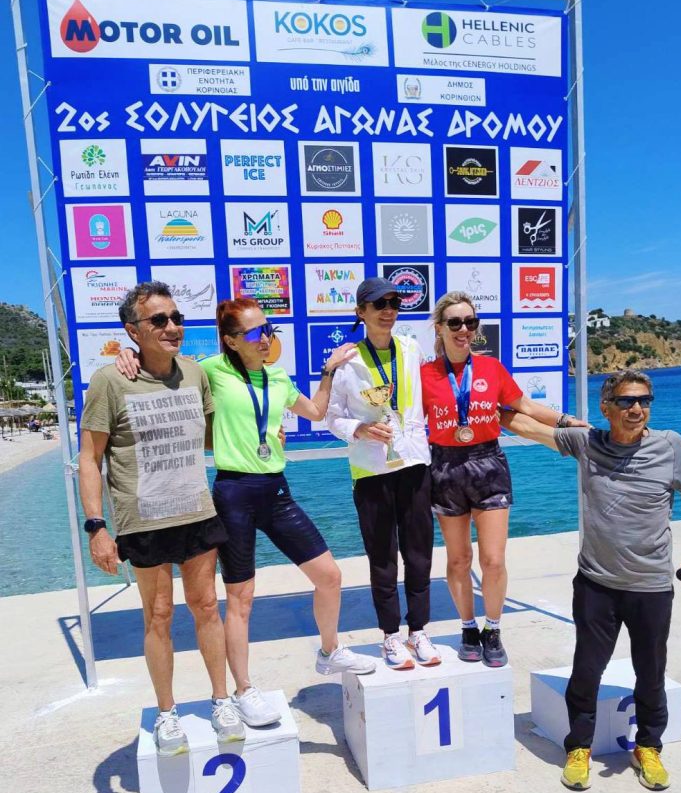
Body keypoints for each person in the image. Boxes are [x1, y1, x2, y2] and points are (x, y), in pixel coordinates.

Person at [117, 297, 375, 729]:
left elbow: (315, 411)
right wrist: (128, 352)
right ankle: (242, 690)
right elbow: (162, 361)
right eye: (255, 333)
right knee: (240, 598)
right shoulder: (210, 371)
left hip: (276, 490)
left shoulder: (278, 376)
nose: (266, 338)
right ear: (232, 340)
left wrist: (328, 371)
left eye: (269, 329)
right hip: (233, 492)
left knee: (329, 575)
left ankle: (330, 651)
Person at [504, 368, 681, 791]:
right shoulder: (588, 443)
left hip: (651, 586)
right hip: (596, 584)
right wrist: (477, 396)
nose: (637, 409)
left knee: (651, 672)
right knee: (587, 670)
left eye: (644, 401)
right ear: (606, 407)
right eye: (626, 401)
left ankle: (648, 746)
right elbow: (520, 423)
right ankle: (579, 747)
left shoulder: (670, 445)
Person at [79, 281, 245, 756]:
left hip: (196, 511)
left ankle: (221, 700)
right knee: (158, 615)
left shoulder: (195, 373)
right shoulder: (110, 381)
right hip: (143, 520)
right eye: (158, 320)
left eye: (176, 318)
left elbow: (214, 434)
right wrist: (96, 527)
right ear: (133, 330)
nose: (172, 327)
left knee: (206, 606)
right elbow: (90, 458)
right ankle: (167, 712)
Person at [422, 291, 586, 666]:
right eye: (454, 322)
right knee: (459, 560)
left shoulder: (491, 368)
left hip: (488, 464)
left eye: (470, 322)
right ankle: (468, 627)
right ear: (440, 328)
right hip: (445, 467)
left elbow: (524, 406)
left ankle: (492, 629)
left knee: (493, 561)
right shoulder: (425, 375)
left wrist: (565, 421)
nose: (463, 329)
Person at [327, 278, 441, 670]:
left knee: (420, 554)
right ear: (361, 312)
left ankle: (418, 630)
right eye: (379, 304)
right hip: (371, 469)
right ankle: (390, 635)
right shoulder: (347, 361)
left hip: (414, 464)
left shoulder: (411, 348)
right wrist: (358, 429)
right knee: (382, 558)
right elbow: (332, 417)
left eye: (394, 302)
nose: (388, 310)